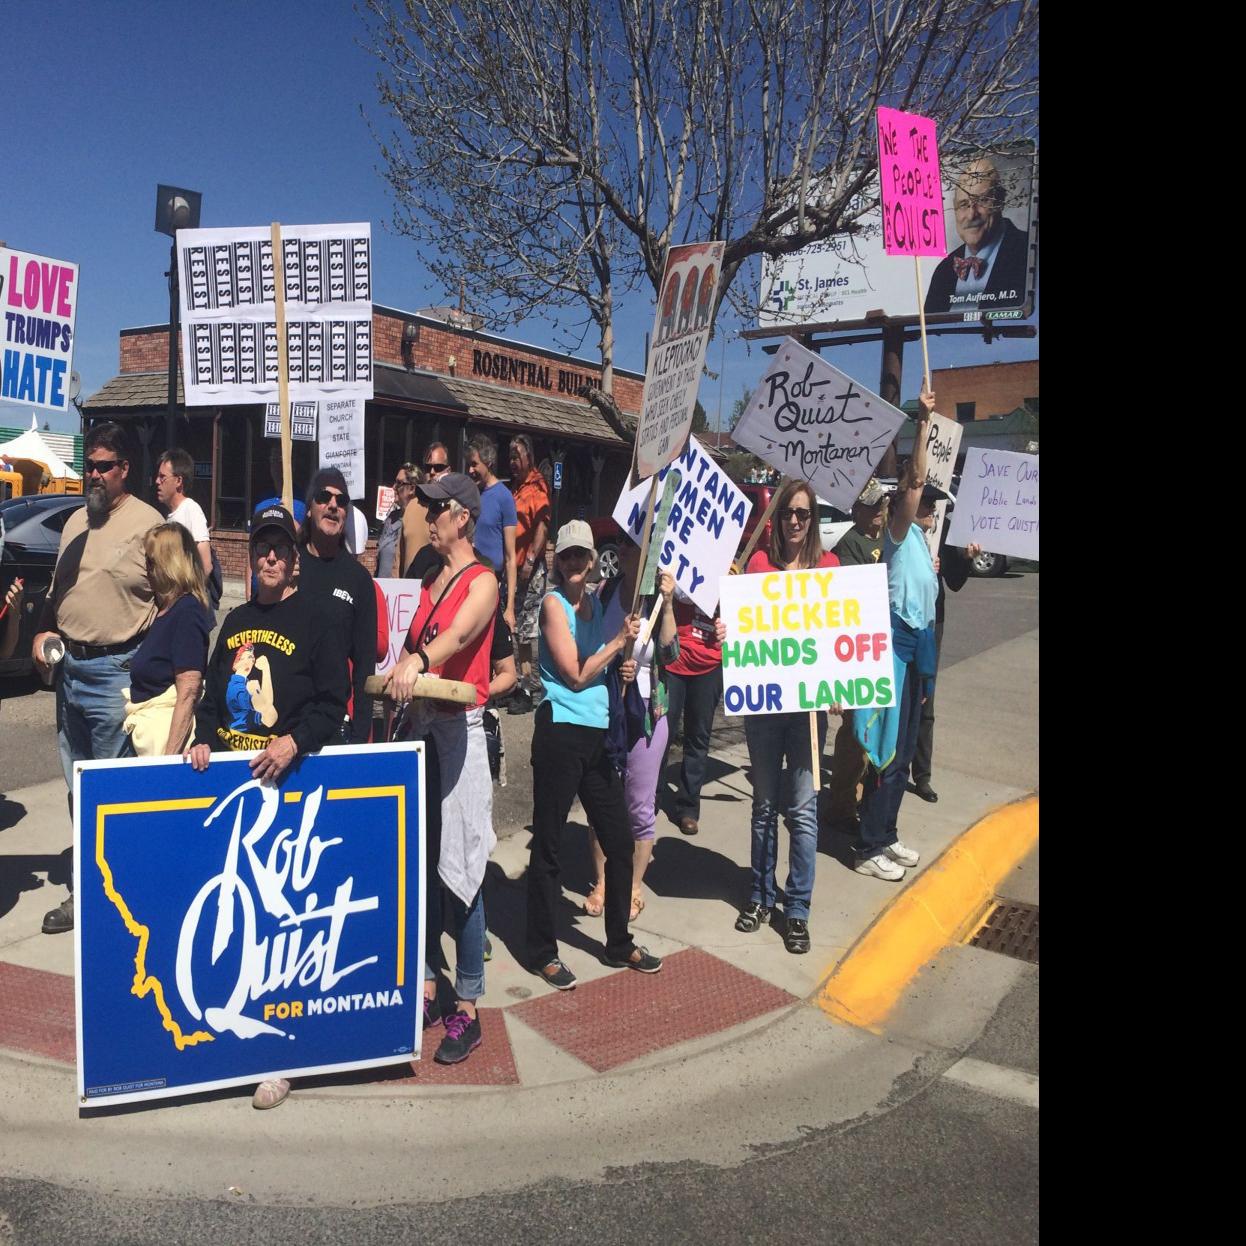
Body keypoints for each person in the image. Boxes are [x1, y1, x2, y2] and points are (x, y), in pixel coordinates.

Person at [188, 504, 349, 1108]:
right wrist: (203, 738)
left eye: (280, 547)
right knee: (229, 919)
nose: (271, 557)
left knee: (279, 927)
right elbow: (210, 699)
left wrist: (293, 742)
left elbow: (333, 703)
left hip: (287, 790)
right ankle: (221, 1044)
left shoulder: (319, 619)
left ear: (295, 558)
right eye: (262, 548)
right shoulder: (235, 622)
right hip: (231, 789)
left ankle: (279, 1058)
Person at [385, 472, 498, 1066]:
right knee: (423, 863)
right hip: (423, 728)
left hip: (460, 732)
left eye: (437, 510)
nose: (428, 519)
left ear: (463, 518)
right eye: (426, 509)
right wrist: (398, 667)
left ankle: (469, 1007)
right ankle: (430, 983)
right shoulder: (430, 578)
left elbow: (456, 636)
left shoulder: (484, 581)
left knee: (464, 867)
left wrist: (419, 661)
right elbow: (411, 645)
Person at [32, 422, 162, 934]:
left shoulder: (150, 524)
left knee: (110, 793)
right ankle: (89, 888)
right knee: (77, 787)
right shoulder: (75, 523)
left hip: (117, 673)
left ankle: (113, 896)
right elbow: (57, 595)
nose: (94, 475)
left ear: (124, 469)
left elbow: (177, 605)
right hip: (70, 672)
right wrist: (42, 635)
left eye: (104, 467)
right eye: (89, 466)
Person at [526, 520, 660, 990]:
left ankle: (618, 941)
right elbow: (576, 675)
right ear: (557, 561)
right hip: (561, 733)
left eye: (581, 555)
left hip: (596, 736)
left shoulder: (596, 604)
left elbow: (600, 669)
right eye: (566, 555)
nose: (574, 563)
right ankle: (542, 950)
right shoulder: (553, 605)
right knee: (548, 846)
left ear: (591, 560)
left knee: (619, 843)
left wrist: (622, 666)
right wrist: (617, 644)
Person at [733, 479, 840, 954]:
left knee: (802, 812)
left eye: (802, 513)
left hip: (808, 713)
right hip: (764, 707)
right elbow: (741, 628)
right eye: (787, 513)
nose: (794, 521)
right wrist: (728, 625)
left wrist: (840, 687)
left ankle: (797, 909)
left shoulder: (829, 568)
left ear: (813, 519)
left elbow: (840, 635)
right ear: (776, 520)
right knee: (763, 808)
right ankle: (760, 896)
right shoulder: (757, 565)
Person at [852, 388, 941, 881]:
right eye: (921, 500)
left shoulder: (922, 540)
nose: (926, 504)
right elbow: (916, 480)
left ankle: (885, 833)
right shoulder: (898, 533)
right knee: (886, 751)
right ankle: (867, 845)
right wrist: (923, 424)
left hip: (916, 653)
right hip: (894, 654)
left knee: (904, 753)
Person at [583, 543, 677, 924]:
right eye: (624, 543)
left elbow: (671, 655)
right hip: (606, 711)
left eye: (637, 546)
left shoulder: (657, 599)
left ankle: (634, 887)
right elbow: (589, 647)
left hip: (647, 717)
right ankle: (603, 882)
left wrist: (667, 605)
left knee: (639, 806)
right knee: (601, 802)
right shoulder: (605, 592)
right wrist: (614, 662)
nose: (627, 551)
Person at [295, 468, 378, 743]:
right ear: (309, 509)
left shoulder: (358, 580)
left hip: (330, 725)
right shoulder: (288, 566)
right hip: (283, 718)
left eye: (341, 501)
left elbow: (365, 667)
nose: (333, 505)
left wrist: (360, 737)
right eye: (323, 497)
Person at [826, 477, 889, 830]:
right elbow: (854, 593)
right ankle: (841, 806)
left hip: (881, 644)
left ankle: (863, 798)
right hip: (857, 647)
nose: (880, 509)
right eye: (873, 504)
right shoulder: (849, 544)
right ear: (858, 510)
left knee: (875, 728)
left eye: (882, 503)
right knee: (855, 730)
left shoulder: (885, 537)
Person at [121, 524, 211, 757]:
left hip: (164, 743)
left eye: (151, 562)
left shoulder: (187, 612)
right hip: (149, 736)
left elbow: (188, 691)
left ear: (170, 564)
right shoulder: (166, 609)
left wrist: (168, 761)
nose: (147, 569)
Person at [908, 525, 981, 803]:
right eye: (924, 505)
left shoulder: (946, 530)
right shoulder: (898, 524)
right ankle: (889, 769)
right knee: (900, 697)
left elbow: (955, 581)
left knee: (926, 697)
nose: (929, 510)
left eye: (931, 505)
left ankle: (922, 776)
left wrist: (966, 558)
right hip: (901, 618)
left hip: (932, 621)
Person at [924, 158, 1029, 316]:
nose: (971, 215)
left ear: (1000, 201)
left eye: (981, 200)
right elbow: (929, 328)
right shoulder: (943, 271)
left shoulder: (1029, 254)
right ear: (955, 209)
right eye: (963, 204)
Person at [661, 585, 724, 837]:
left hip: (710, 663)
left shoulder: (733, 570)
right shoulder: (676, 567)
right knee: (661, 734)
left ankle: (688, 806)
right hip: (674, 658)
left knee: (698, 737)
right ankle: (649, 798)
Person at [507, 434, 551, 715]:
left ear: (529, 457)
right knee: (516, 630)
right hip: (513, 569)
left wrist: (530, 560)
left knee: (527, 632)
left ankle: (529, 688)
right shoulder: (515, 488)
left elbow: (542, 526)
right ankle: (519, 683)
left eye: (517, 456)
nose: (513, 462)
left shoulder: (537, 487)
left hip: (530, 570)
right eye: (510, 457)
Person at [465, 433, 518, 634]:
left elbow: (510, 557)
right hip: (467, 579)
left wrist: (510, 607)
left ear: (488, 462)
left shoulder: (504, 497)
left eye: (474, 464)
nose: (470, 470)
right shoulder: (469, 494)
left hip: (491, 582)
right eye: (468, 465)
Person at [154, 450, 213, 582]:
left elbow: (206, 565)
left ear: (179, 481)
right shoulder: (169, 516)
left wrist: (187, 592)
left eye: (162, 477)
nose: (157, 481)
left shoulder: (191, 510)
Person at [400, 444, 446, 580]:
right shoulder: (411, 506)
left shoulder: (454, 508)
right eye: (427, 467)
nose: (432, 472)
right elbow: (399, 559)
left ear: (448, 470)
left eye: (438, 467)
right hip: (409, 587)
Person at [377, 463, 418, 578]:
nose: (394, 487)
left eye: (399, 483)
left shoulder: (418, 522)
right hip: (382, 587)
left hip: (402, 588)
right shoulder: (391, 518)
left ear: (412, 488)